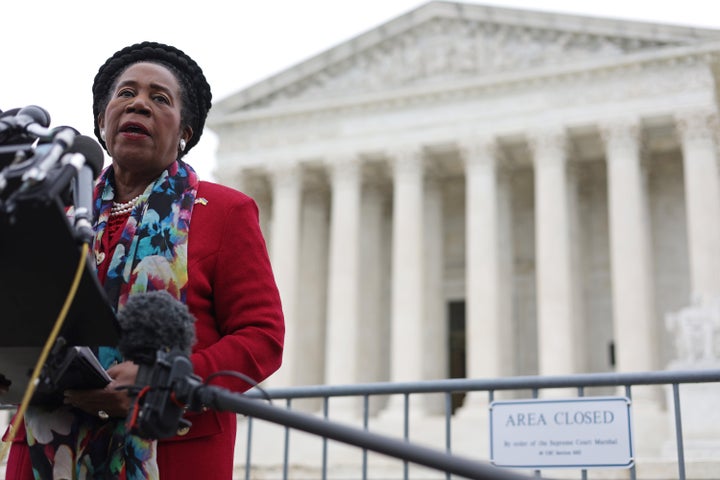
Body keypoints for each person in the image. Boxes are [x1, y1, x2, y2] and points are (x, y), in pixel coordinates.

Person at [3, 41, 285, 479]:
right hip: (46, 446)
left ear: (185, 131)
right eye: (126, 93)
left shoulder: (226, 212)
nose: (139, 103)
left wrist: (163, 381)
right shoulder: (54, 210)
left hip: (171, 449)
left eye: (160, 98)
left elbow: (262, 337)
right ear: (102, 121)